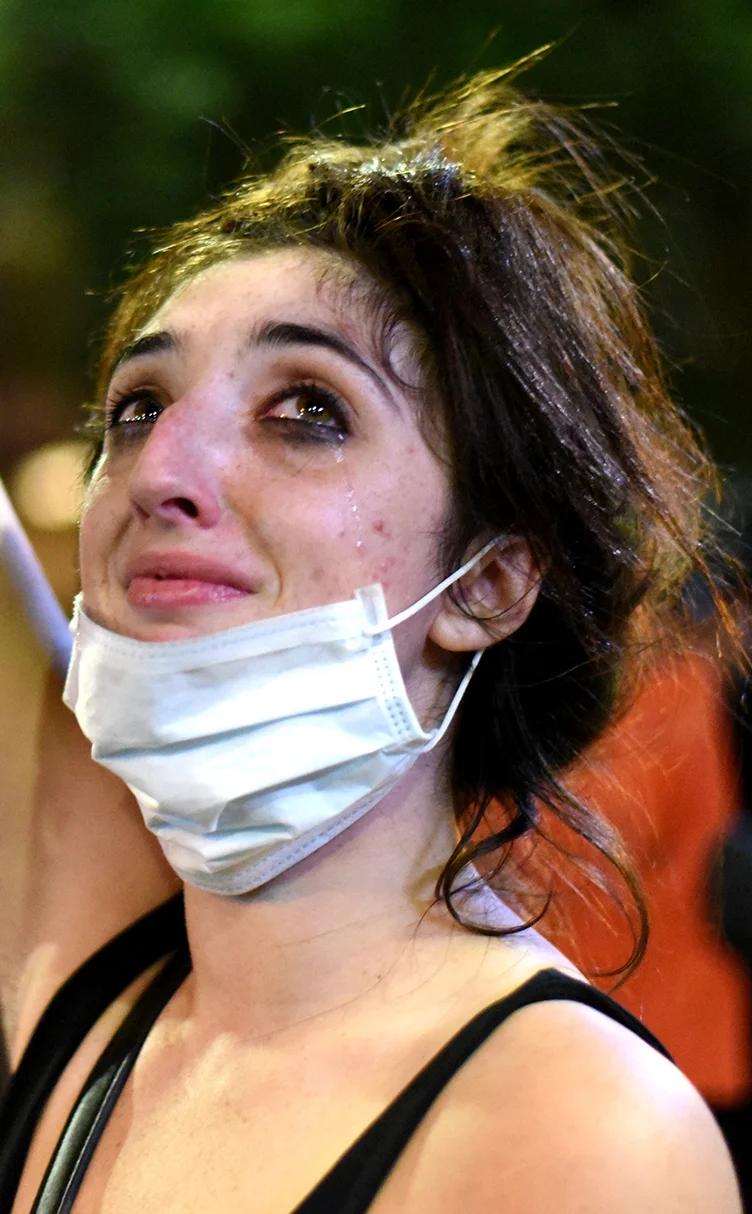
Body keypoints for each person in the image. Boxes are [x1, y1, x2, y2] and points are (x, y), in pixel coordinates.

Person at [0, 65, 742, 1212]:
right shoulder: (98, 1000)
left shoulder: (581, 1137)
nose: (159, 470)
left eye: (307, 409)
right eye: (140, 405)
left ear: (487, 581)